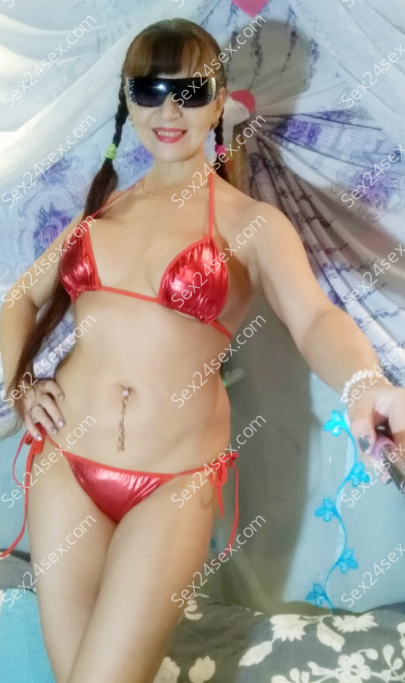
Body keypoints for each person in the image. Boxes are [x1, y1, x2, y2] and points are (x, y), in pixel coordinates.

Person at [0, 17, 404, 683]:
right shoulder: (99, 213)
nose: (169, 110)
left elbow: (314, 318)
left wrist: (366, 384)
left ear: (217, 102)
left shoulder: (252, 224)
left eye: (189, 92)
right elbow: (18, 298)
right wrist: (18, 385)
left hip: (171, 486)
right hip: (63, 469)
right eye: (150, 90)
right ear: (128, 102)